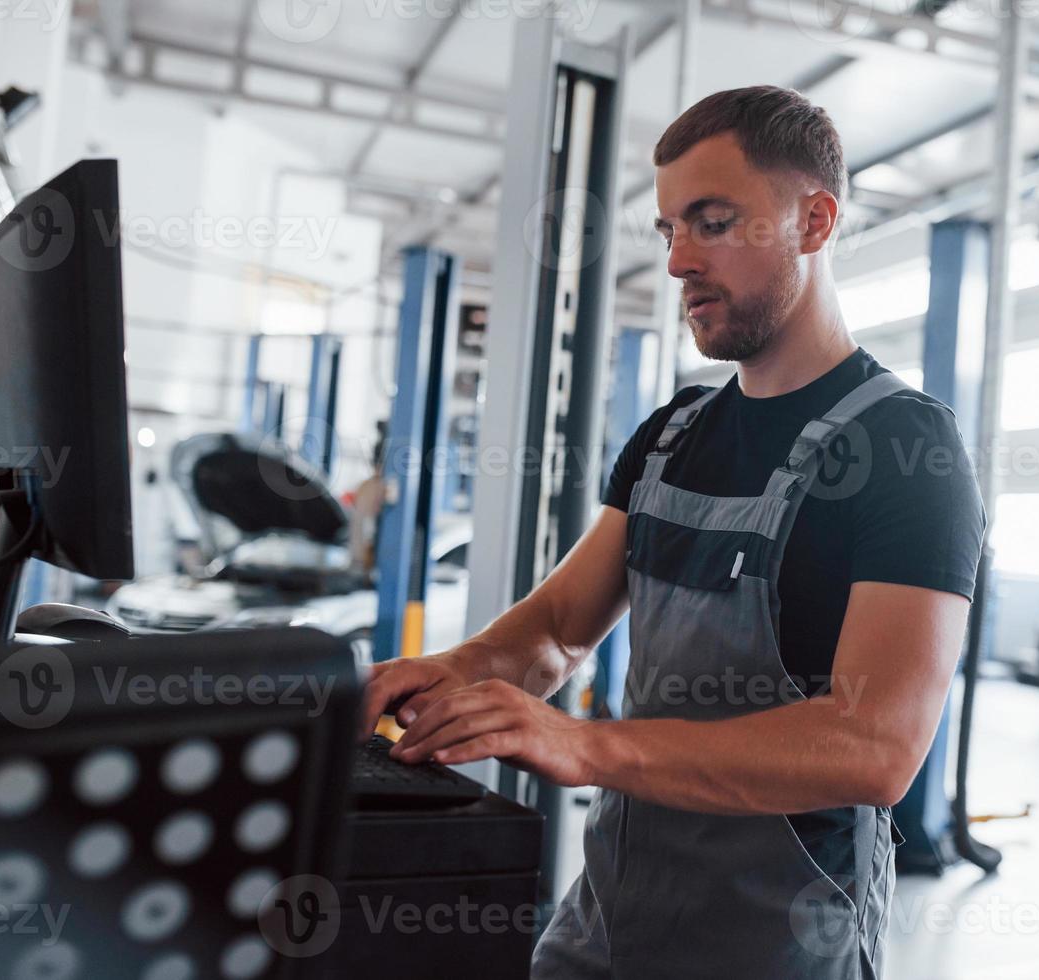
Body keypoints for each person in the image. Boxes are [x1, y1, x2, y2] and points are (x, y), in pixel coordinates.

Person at [359, 85, 985, 979]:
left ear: (814, 221)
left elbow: (874, 746)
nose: (680, 260)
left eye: (714, 221)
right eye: (667, 231)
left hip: (777, 946)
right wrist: (442, 676)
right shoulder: (673, 433)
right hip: (611, 921)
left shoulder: (904, 449)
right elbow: (553, 634)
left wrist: (581, 744)